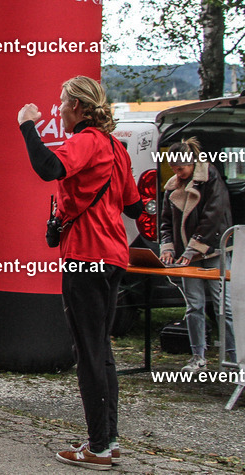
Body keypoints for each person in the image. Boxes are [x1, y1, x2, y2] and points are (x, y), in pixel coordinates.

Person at [18, 76, 142, 471]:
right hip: (113, 257)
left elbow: (48, 166)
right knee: (99, 350)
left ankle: (98, 448)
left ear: (81, 108)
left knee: (87, 353)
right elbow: (134, 206)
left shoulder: (86, 141)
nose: (57, 109)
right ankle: (109, 439)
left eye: (62, 102)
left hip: (85, 257)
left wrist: (26, 124)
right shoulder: (116, 149)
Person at [159, 136, 236, 372]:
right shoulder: (172, 186)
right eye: (173, 169)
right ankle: (197, 356)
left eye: (180, 168)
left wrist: (194, 247)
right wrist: (168, 247)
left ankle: (233, 359)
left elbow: (213, 215)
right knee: (194, 305)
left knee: (225, 306)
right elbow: (165, 222)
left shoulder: (212, 178)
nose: (177, 172)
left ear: (191, 163)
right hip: (187, 255)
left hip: (213, 252)